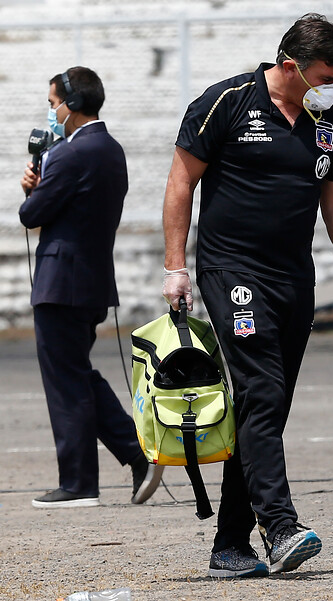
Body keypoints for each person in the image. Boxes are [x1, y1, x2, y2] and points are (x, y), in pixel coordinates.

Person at [161, 14, 333, 578]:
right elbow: (181, 180)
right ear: (290, 65)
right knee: (261, 386)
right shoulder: (227, 101)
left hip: (292, 277)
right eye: (325, 77)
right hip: (230, 269)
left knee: (266, 406)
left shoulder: (328, 119)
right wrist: (176, 266)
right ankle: (281, 527)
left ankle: (230, 543)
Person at [19, 67, 163, 509]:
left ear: (72, 104)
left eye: (53, 104)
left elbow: (33, 214)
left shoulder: (70, 153)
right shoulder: (111, 149)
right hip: (93, 278)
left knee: (66, 379)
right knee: (77, 373)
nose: (51, 113)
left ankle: (80, 481)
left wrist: (31, 188)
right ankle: (134, 454)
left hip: (62, 280)